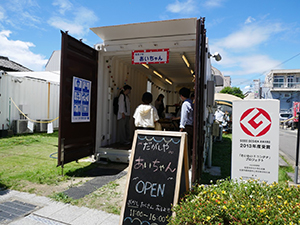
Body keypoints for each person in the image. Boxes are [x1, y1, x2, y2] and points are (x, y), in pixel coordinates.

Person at [178, 87, 194, 162]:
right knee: (189, 145)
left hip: (187, 127)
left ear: (181, 95)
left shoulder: (185, 104)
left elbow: (184, 116)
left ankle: (186, 162)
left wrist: (181, 127)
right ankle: (188, 161)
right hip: (191, 126)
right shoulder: (191, 102)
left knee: (186, 145)